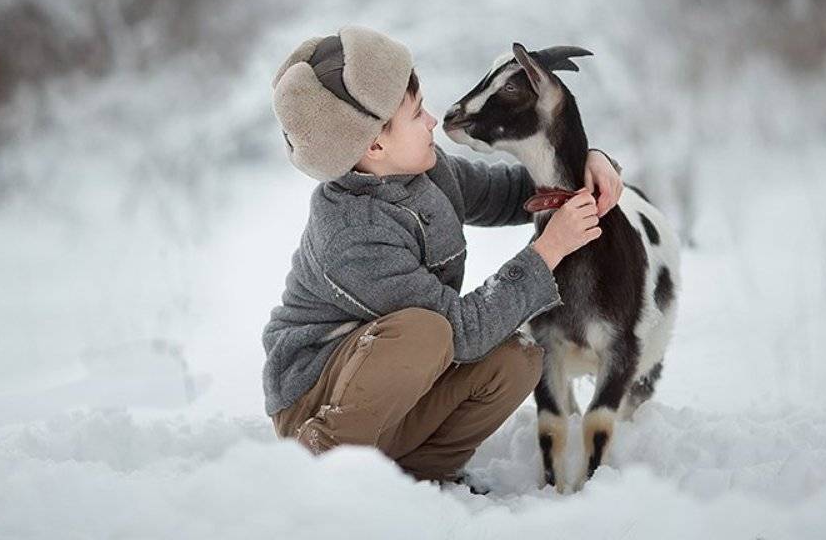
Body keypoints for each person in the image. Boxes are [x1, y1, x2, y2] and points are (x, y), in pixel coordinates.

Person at [262, 25, 623, 488]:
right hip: (316, 400)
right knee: (426, 330)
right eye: (416, 115)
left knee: (518, 359)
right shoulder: (353, 234)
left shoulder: (423, 172)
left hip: (398, 384)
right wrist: (549, 249)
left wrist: (586, 162)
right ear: (374, 145)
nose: (433, 120)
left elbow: (509, 194)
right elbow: (460, 332)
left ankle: (414, 476)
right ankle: (321, 471)